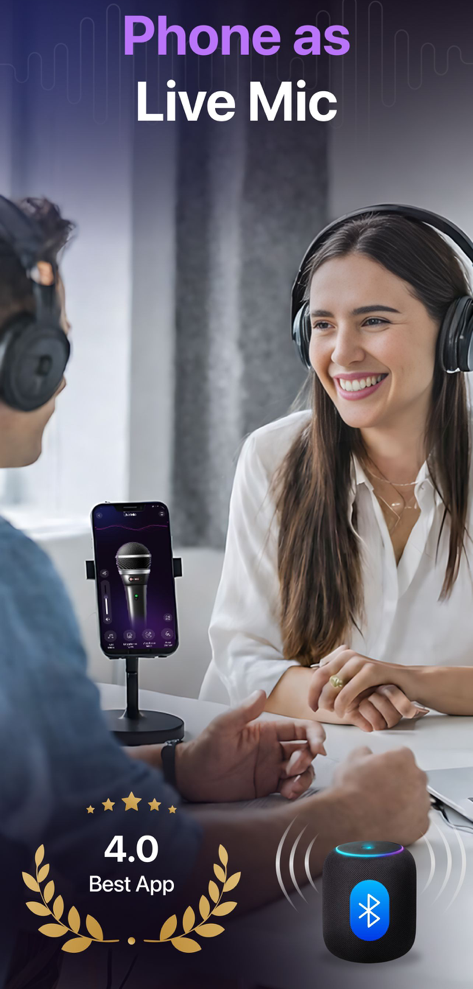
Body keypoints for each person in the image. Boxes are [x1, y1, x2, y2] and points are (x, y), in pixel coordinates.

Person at [0, 197, 430, 986]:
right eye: (50, 336)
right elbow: (126, 880)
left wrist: (176, 771)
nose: (64, 355)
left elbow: (30, 800)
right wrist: (350, 819)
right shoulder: (10, 578)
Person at [204, 207, 473, 731]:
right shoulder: (272, 456)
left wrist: (412, 680)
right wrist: (344, 696)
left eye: (373, 320)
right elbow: (240, 652)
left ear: (455, 334)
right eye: (323, 325)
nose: (342, 353)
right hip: (283, 765)